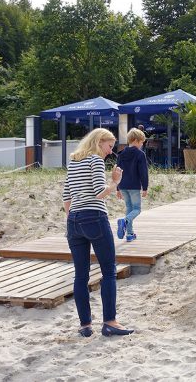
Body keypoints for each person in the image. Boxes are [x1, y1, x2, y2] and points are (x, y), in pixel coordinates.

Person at [62, 128, 134, 337]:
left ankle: (85, 326)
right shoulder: (95, 160)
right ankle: (110, 322)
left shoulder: (74, 161)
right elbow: (98, 192)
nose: (111, 151)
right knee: (108, 271)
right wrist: (115, 182)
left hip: (74, 221)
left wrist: (72, 218)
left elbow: (67, 194)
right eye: (109, 146)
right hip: (94, 217)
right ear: (99, 142)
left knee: (81, 275)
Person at [116, 128, 149, 242]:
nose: (141, 145)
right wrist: (145, 187)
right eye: (141, 142)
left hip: (122, 185)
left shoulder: (121, 154)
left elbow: (117, 171)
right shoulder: (140, 154)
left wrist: (117, 188)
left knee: (129, 208)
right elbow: (143, 172)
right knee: (137, 209)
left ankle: (129, 234)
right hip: (134, 186)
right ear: (135, 140)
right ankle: (125, 221)